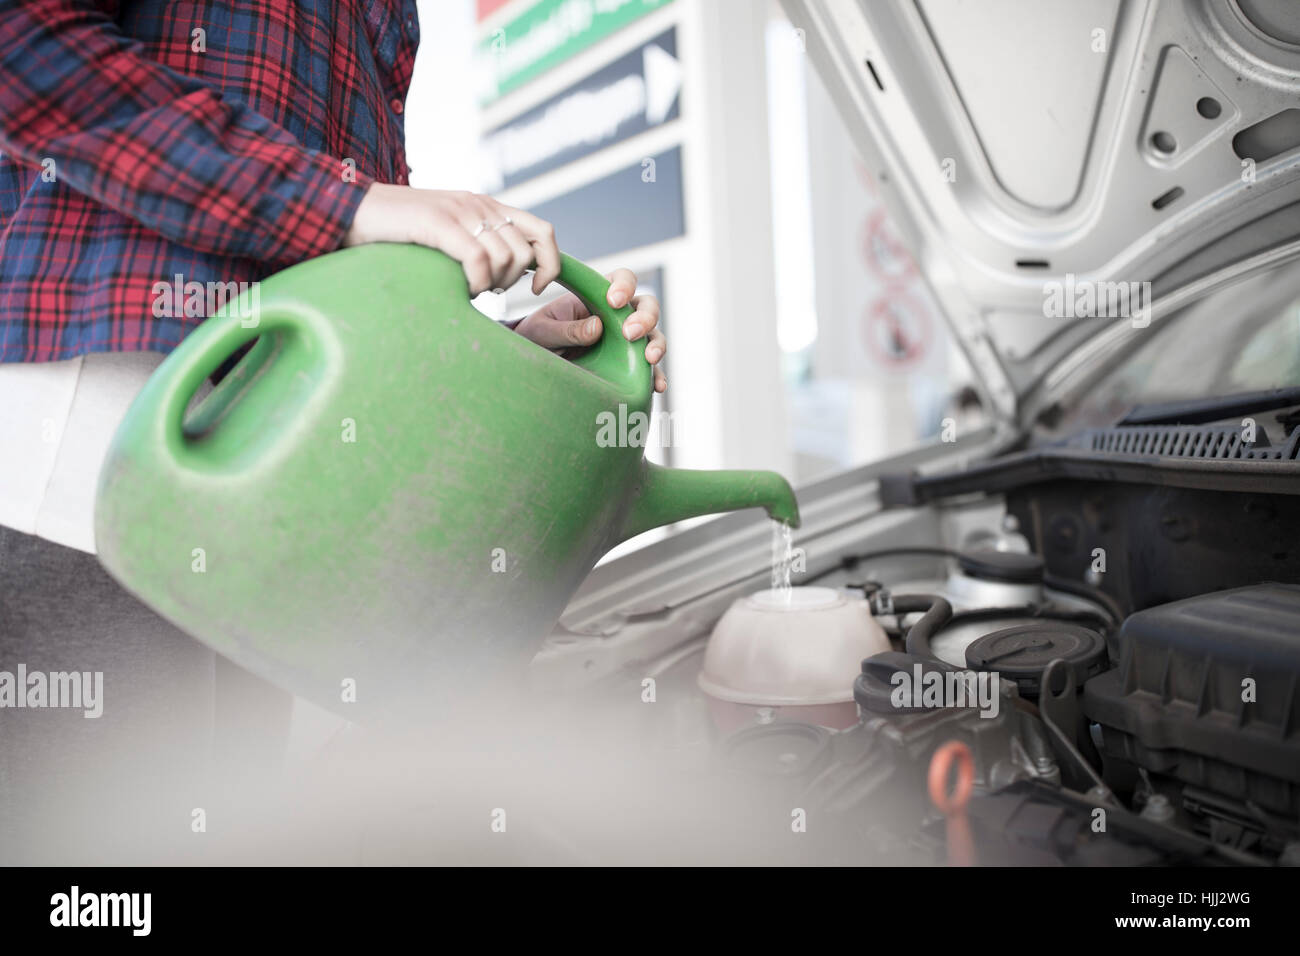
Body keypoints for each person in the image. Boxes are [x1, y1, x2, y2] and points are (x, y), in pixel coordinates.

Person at [0, 0, 666, 862]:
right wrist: (344, 201)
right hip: (87, 475)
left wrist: (512, 371)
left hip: (268, 529)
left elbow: (329, 308)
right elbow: (22, 43)